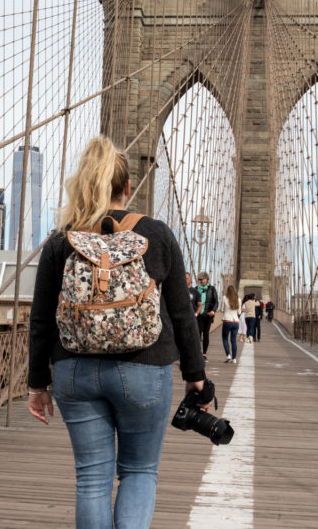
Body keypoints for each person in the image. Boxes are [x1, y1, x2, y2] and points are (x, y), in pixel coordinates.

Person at [27, 136, 209, 529]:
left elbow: (40, 318)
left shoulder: (62, 239)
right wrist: (196, 378)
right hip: (144, 369)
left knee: (91, 480)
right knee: (139, 472)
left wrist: (38, 384)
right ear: (127, 188)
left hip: (73, 371)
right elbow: (182, 314)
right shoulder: (157, 234)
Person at [194, 271, 218, 359]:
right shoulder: (196, 289)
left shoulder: (212, 289)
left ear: (206, 279)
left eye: (202, 279)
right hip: (199, 315)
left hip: (208, 315)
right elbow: (193, 302)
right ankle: (198, 353)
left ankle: (204, 354)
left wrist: (213, 310)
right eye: (199, 279)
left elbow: (216, 301)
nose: (200, 281)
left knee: (206, 333)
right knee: (198, 333)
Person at [220, 285, 241, 363]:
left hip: (227, 321)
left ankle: (228, 355)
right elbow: (239, 312)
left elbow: (222, 309)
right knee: (233, 340)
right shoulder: (238, 299)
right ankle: (234, 359)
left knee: (225, 338)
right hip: (236, 322)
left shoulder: (224, 298)